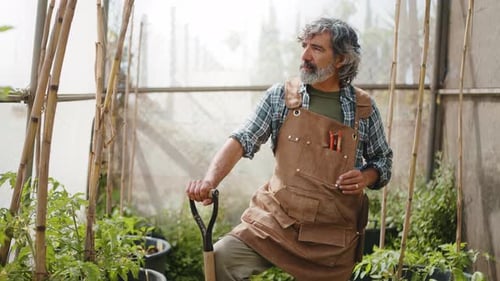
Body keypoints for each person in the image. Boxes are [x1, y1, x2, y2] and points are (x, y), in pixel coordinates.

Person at [186, 17, 393, 281]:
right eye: (304, 45)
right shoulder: (281, 97)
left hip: (330, 238)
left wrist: (366, 176)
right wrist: (209, 181)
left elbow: (383, 160)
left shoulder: (363, 109)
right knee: (221, 260)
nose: (305, 55)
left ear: (340, 59)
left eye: (317, 48)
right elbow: (242, 138)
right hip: (274, 221)